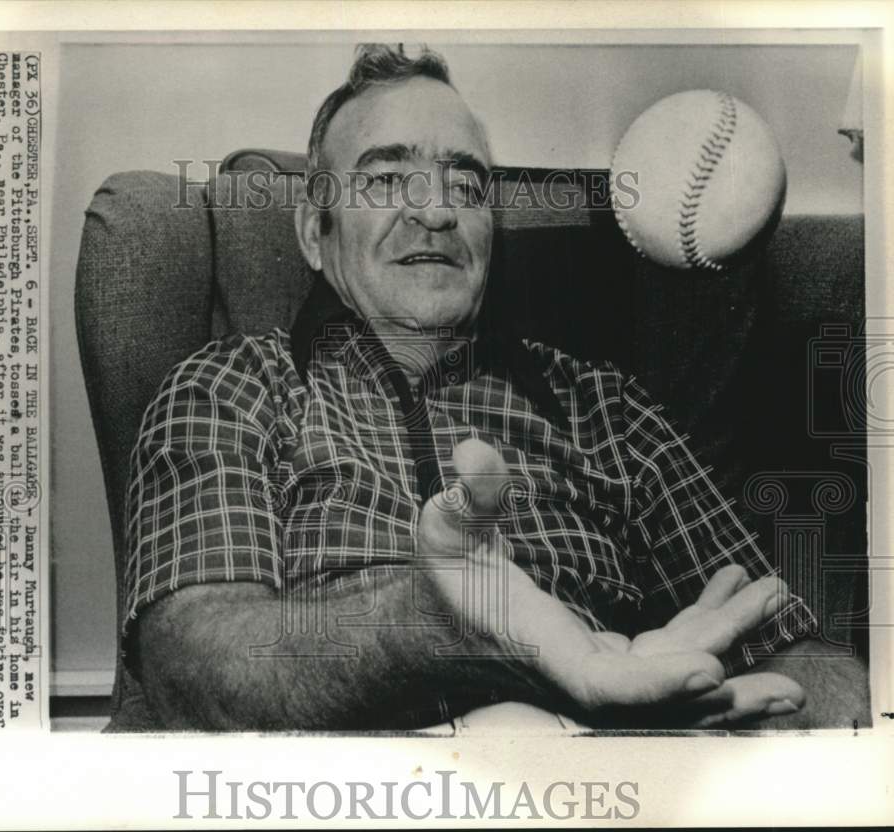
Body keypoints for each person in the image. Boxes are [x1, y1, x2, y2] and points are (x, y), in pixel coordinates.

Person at [123, 44, 869, 731]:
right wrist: (441, 626)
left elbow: (807, 664)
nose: (436, 211)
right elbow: (191, 667)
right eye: (385, 179)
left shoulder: (607, 411)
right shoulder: (233, 388)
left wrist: (690, 717)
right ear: (315, 234)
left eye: (466, 184)